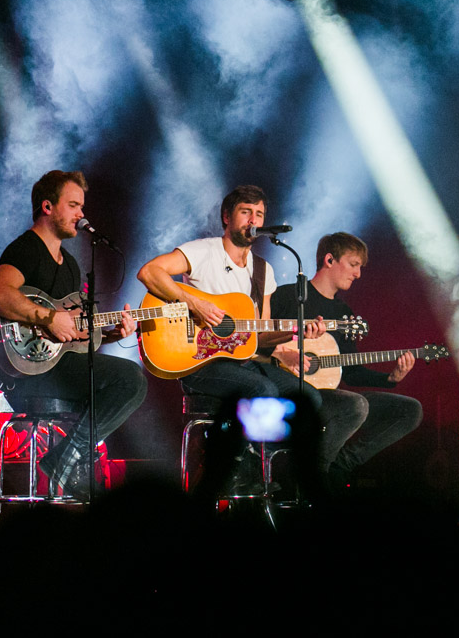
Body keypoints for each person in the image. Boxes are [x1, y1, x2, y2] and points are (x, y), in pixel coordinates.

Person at [136, 185, 364, 487]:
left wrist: (296, 331)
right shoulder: (203, 251)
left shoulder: (262, 270)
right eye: (246, 212)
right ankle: (235, 471)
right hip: (199, 362)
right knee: (263, 390)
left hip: (241, 361)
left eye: (259, 214)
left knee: (307, 395)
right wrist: (195, 303)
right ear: (227, 217)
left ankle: (281, 475)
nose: (253, 220)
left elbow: (261, 334)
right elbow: (149, 272)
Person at [0, 170, 146, 498]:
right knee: (130, 379)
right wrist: (49, 317)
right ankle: (69, 458)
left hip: (58, 366)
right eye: (73, 205)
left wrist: (115, 332)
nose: (81, 214)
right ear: (47, 206)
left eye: (82, 207)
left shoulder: (71, 265)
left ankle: (70, 459)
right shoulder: (25, 249)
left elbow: (73, 334)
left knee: (127, 379)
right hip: (29, 373)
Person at [266, 232, 423, 491]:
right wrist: (284, 352)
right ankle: (310, 480)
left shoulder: (343, 314)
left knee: (409, 410)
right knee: (355, 404)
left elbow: (350, 372)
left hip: (330, 396)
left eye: (360, 267)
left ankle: (338, 467)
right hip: (289, 393)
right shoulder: (285, 297)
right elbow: (258, 342)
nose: (358, 274)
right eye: (353, 264)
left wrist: (390, 378)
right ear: (329, 260)